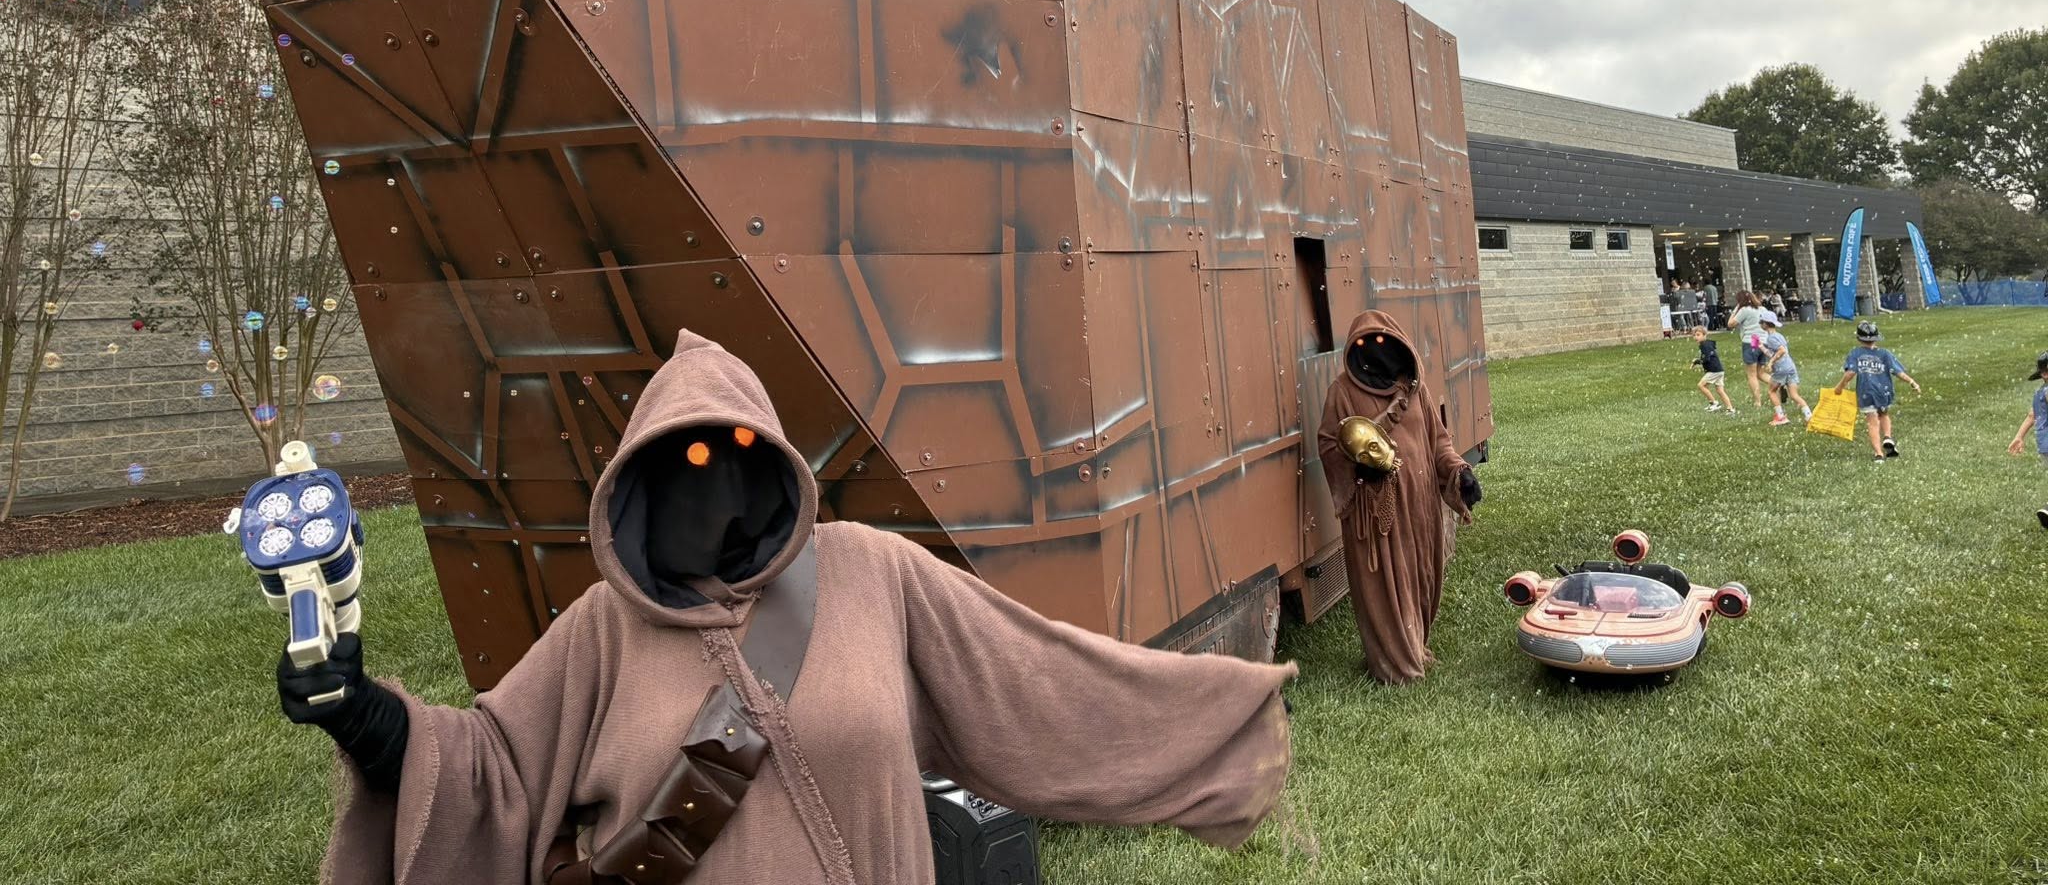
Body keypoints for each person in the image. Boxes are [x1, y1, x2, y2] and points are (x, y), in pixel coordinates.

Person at [284, 331, 1296, 884]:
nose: (712, 479)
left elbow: (1036, 680)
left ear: (772, 462)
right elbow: (494, 770)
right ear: (636, 480)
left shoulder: (872, 574)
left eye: (735, 452)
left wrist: (1215, 720)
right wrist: (372, 724)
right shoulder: (601, 630)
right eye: (683, 457)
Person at [1316, 310, 1480, 684]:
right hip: (1377, 512)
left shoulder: (1414, 390)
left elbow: (1439, 442)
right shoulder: (1342, 392)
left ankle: (1415, 645)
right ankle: (1397, 666)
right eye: (1366, 343)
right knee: (1385, 585)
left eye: (1383, 341)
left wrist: (1460, 473)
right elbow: (1328, 444)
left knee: (1422, 576)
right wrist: (1360, 469)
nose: (1376, 350)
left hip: (1421, 507)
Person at [1834, 320, 1920, 462]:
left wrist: (1839, 387)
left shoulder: (1855, 353)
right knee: (1884, 414)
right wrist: (1912, 382)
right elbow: (1898, 372)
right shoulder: (1884, 353)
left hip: (1866, 391)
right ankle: (1887, 437)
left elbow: (1850, 373)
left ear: (1859, 338)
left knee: (1872, 421)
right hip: (1883, 391)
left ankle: (1878, 454)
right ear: (1876, 338)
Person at [2006, 351, 2048, 529]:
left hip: (2044, 446)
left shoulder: (2039, 393)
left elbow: (2031, 416)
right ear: (2044, 374)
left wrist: (2019, 437)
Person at [1758, 311, 1811, 427]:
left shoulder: (1771, 338)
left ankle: (1780, 417)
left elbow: (1781, 351)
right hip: (1790, 367)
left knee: (1771, 391)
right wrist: (1761, 347)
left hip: (1781, 369)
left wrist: (1771, 363)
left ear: (1766, 324)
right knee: (1794, 395)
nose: (1760, 324)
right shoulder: (1779, 335)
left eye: (1761, 322)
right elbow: (1775, 352)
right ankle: (1809, 416)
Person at [1728, 291, 1767, 408]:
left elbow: (1730, 324)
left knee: (1751, 374)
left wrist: (1735, 310)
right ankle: (1778, 385)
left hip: (1751, 341)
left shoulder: (1744, 310)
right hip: (1764, 342)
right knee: (1761, 373)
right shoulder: (1762, 309)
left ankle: (1757, 402)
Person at [1692, 326, 1736, 414]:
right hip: (1719, 370)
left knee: (1701, 385)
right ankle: (1730, 409)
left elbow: (1706, 358)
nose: (1696, 337)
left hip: (1714, 371)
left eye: (1698, 335)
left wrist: (1697, 361)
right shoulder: (1708, 344)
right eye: (1694, 335)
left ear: (1704, 335)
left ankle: (1713, 403)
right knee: (1720, 390)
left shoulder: (1705, 346)